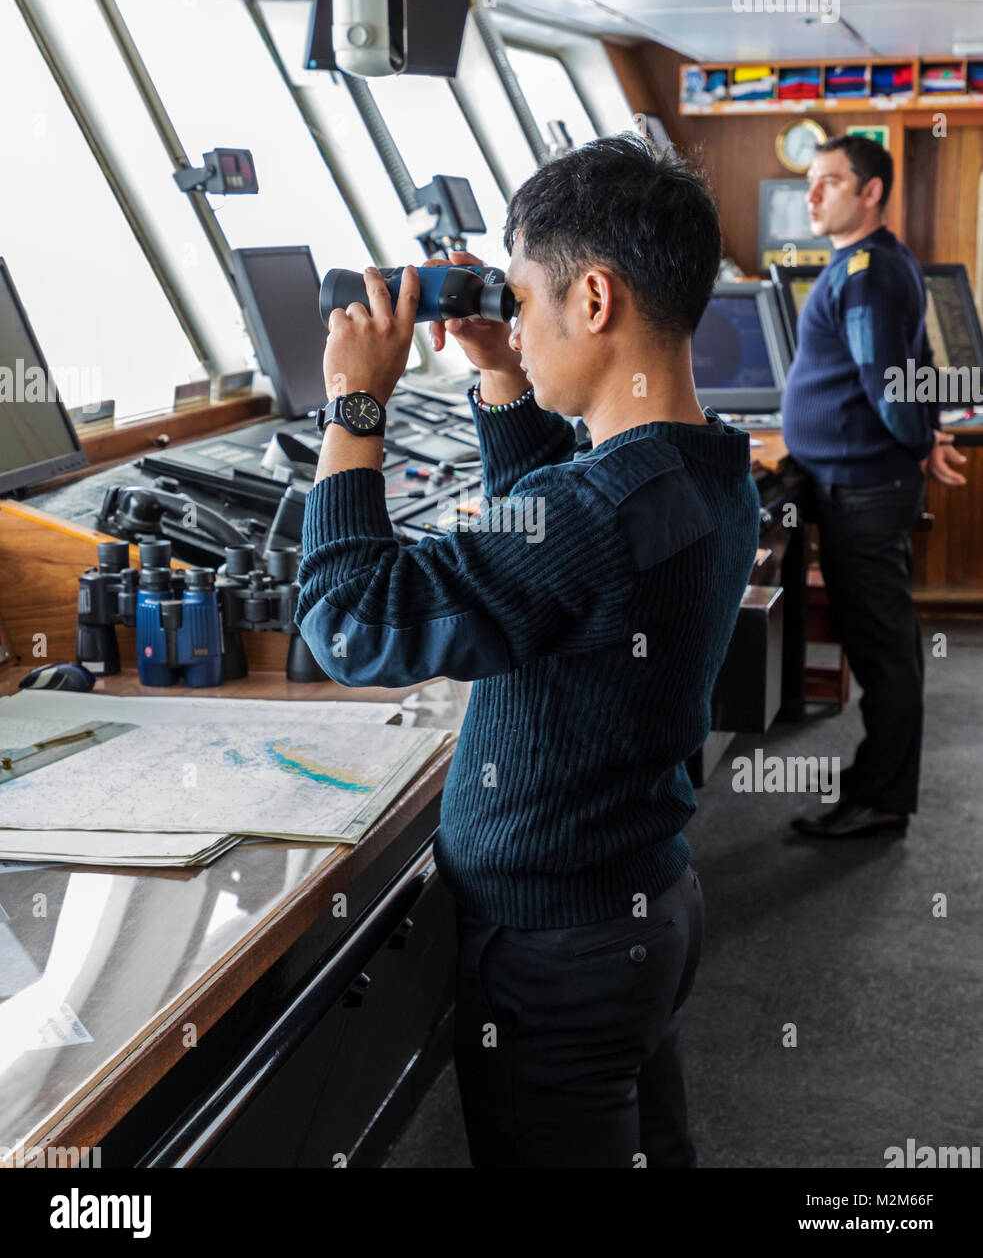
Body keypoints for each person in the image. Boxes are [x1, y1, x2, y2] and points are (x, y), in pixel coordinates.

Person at [294, 134, 760, 1168]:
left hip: (560, 945)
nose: (511, 317)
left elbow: (350, 619)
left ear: (592, 300)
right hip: (637, 901)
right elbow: (552, 547)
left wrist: (355, 407)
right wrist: (507, 376)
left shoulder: (593, 508)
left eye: (521, 297)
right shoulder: (707, 464)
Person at [782, 135, 967, 840]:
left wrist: (919, 443)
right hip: (856, 478)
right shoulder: (872, 261)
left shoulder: (863, 272)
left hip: (860, 487)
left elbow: (888, 387)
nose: (812, 195)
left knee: (881, 646)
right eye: (810, 182)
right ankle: (877, 778)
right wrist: (926, 439)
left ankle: (882, 795)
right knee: (880, 640)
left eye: (829, 181)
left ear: (870, 192)